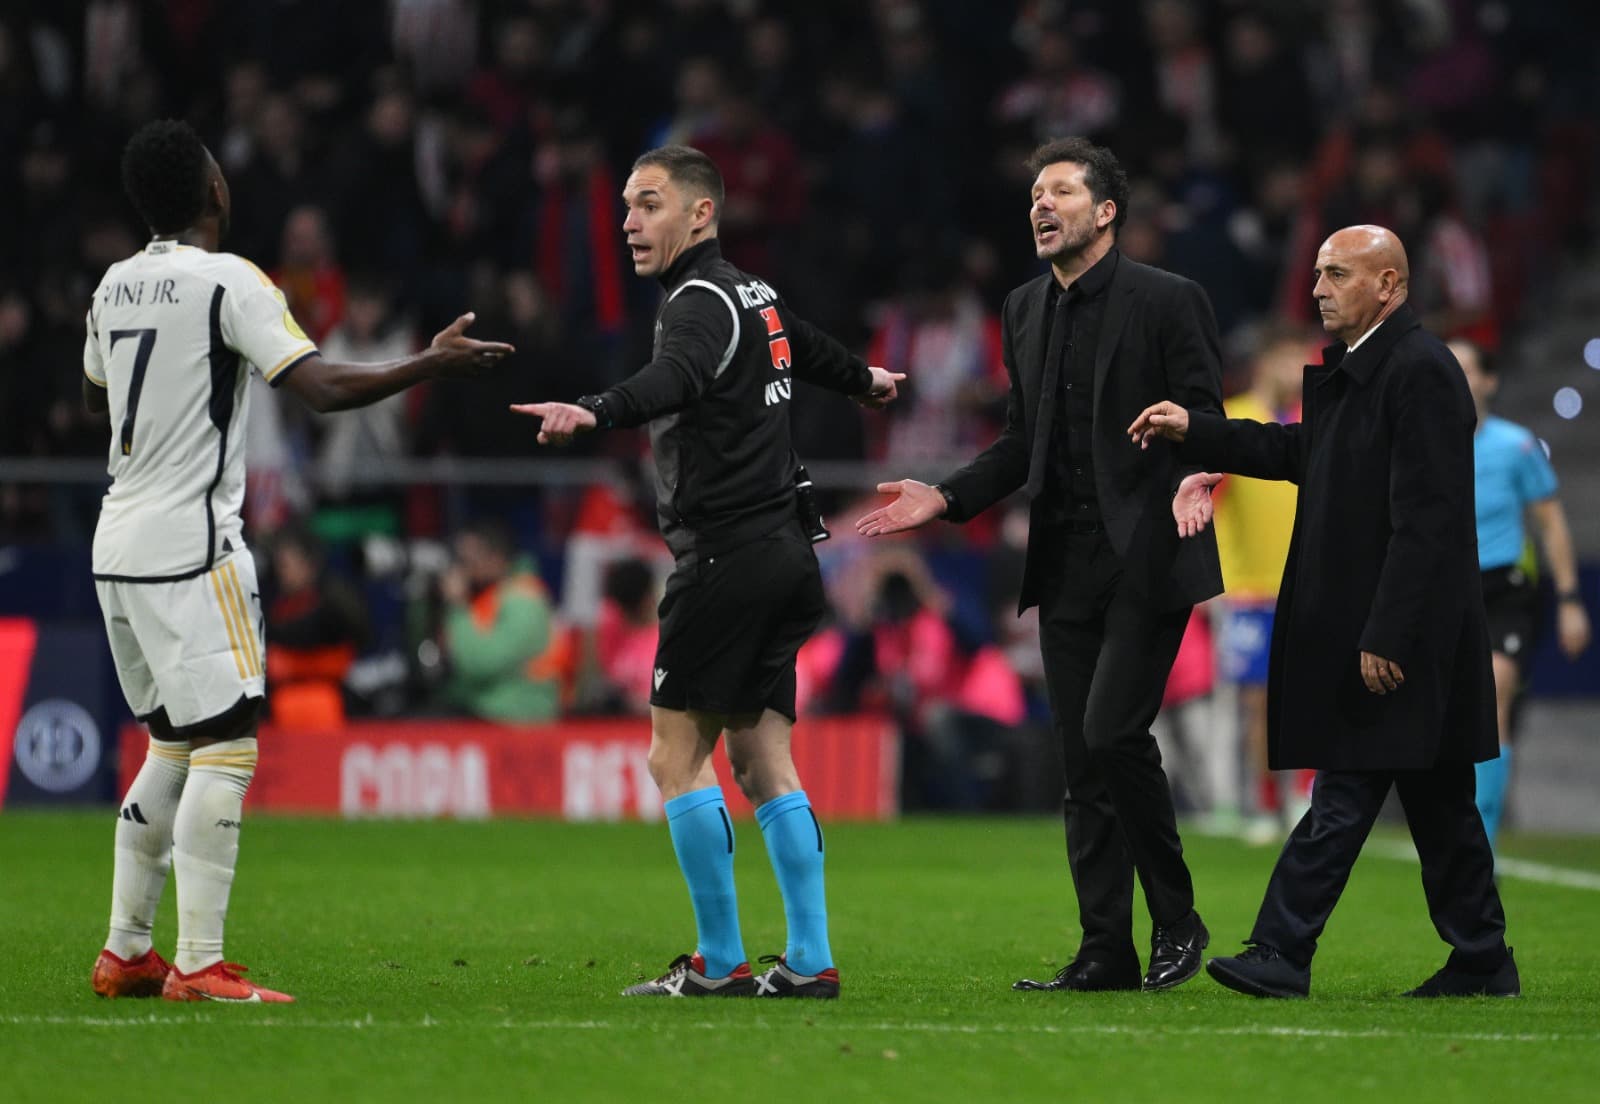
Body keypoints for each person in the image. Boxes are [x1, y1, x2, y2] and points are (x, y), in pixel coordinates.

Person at [87, 119, 512, 1004]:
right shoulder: (232, 281)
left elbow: (100, 394)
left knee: (171, 741)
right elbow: (317, 388)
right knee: (228, 742)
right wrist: (428, 364)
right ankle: (199, 962)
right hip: (191, 547)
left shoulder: (114, 284)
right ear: (214, 190)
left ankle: (127, 949)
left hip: (116, 543)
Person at [513, 145, 902, 998]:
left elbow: (676, 377)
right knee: (762, 760)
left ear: (700, 214)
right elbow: (804, 344)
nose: (629, 222)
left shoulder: (695, 302)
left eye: (648, 204)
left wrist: (596, 409)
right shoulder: (751, 293)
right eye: (626, 205)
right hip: (785, 553)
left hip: (725, 557)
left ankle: (720, 963)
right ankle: (808, 960)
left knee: (674, 758)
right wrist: (865, 378)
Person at [857, 136, 1224, 994]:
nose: (1041, 205)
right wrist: (945, 497)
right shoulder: (1023, 309)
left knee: (1112, 732)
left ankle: (1177, 919)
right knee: (1081, 763)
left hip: (1148, 551)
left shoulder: (1169, 299)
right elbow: (1021, 442)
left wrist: (1198, 473)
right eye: (1034, 195)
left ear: (1107, 212)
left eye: (1060, 191)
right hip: (1063, 562)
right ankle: (1106, 950)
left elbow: (1205, 416)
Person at [1129, 224, 1518, 998]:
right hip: (1390, 627)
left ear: (1389, 285)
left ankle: (1281, 949)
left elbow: (1430, 520)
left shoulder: (1421, 371)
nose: (1317, 289)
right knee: (1441, 805)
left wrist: (1389, 633)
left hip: (1400, 633)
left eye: (1338, 274)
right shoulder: (1364, 370)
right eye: (1317, 273)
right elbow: (1299, 452)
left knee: (1343, 792)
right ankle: (1481, 958)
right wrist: (1199, 432)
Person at [1452, 337, 1592, 846]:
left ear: (1489, 381)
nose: (1457, 379)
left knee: (1493, 697)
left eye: (1467, 369)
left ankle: (1483, 846)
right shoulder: (1418, 441)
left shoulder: (1517, 446)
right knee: (1450, 717)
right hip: (1441, 590)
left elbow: (1551, 524)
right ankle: (1456, 827)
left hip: (1502, 587)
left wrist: (1571, 601)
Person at [1210, 325, 1313, 840]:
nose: (1298, 371)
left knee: (1309, 696)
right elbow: (1213, 504)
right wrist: (1220, 578)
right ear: (1265, 362)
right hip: (1249, 590)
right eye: (1290, 359)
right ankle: (1265, 802)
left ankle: (1303, 797)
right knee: (1257, 704)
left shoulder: (1316, 420)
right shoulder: (1233, 418)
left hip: (1310, 585)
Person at [436, 519, 562, 724]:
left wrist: (457, 606)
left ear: (496, 558)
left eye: (469, 560)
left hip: (517, 718)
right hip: (486, 710)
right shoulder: (489, 595)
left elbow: (480, 663)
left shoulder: (523, 601)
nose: (462, 569)